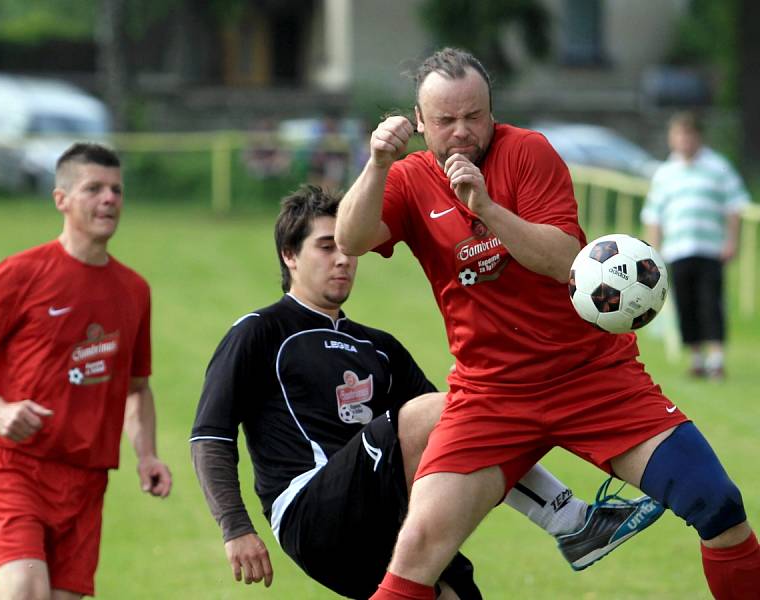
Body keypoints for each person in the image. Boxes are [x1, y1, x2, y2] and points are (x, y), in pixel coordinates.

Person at [334, 48, 760, 599]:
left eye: (474, 116)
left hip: (592, 379)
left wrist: (486, 207)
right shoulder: (409, 178)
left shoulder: (528, 152)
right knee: (415, 554)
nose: (462, 132)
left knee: (719, 506)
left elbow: (566, 261)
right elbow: (350, 238)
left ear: (491, 112)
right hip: (490, 396)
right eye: (445, 121)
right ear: (419, 122)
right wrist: (376, 163)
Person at [189, 185, 664, 600]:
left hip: (389, 514)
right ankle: (571, 520)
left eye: (349, 248)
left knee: (471, 438)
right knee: (456, 414)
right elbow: (210, 436)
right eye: (325, 247)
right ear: (290, 256)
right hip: (311, 512)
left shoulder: (378, 346)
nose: (343, 259)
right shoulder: (261, 332)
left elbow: (467, 439)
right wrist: (235, 527)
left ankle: (575, 525)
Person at [0, 142, 173, 599]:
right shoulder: (23, 273)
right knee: (24, 591)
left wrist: (147, 455)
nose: (110, 199)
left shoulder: (134, 290)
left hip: (86, 476)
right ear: (61, 199)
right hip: (17, 462)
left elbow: (137, 388)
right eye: (93, 188)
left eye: (116, 190)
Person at [641, 111, 751, 380]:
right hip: (677, 249)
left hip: (709, 248)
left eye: (689, 135)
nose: (684, 141)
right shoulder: (665, 173)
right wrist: (653, 251)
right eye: (679, 135)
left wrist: (731, 241)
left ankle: (716, 358)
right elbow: (654, 214)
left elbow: (734, 206)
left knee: (710, 302)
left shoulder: (718, 167)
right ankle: (697, 357)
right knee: (686, 304)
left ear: (698, 137)